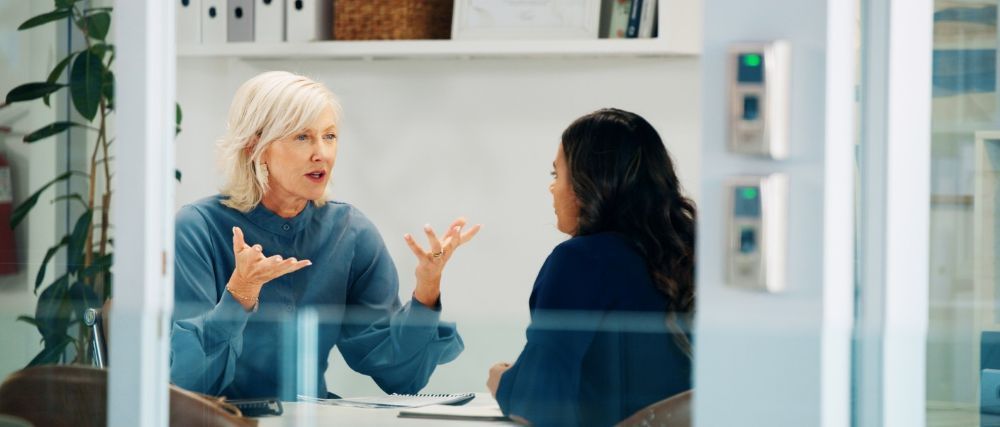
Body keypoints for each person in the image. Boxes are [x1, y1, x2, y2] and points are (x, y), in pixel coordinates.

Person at [170, 71, 480, 400]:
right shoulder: (197, 229)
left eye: (329, 136)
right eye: (302, 137)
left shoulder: (351, 231)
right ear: (256, 147)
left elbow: (399, 376)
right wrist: (240, 293)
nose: (322, 153)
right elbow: (187, 385)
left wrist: (426, 290)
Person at [486, 108, 695, 426]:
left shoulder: (580, 261)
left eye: (557, 174)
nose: (552, 189)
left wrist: (502, 381)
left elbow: (539, 403)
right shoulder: (693, 253)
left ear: (589, 184)